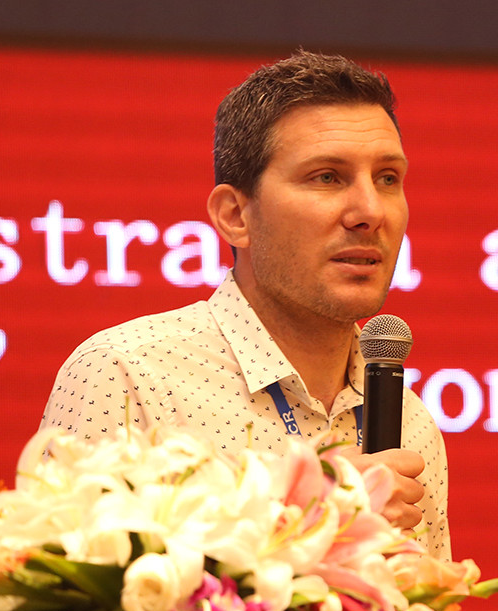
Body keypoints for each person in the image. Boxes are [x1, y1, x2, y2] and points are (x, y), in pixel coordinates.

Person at [41, 50, 448, 559]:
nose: (370, 211)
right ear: (235, 215)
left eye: (387, 178)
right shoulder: (128, 376)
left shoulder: (411, 424)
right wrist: (313, 519)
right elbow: (65, 601)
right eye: (327, 177)